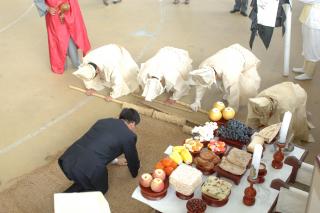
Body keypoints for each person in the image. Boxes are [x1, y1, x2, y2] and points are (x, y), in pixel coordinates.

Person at [58, 108, 141, 194]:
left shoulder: (103, 121)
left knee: (85, 181)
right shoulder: (129, 136)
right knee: (100, 190)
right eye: (135, 126)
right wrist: (135, 172)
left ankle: (67, 194)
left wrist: (115, 161)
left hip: (67, 159)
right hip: (88, 167)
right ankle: (64, 198)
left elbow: (98, 145)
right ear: (132, 123)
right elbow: (132, 158)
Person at [189, 43, 261, 112]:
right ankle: (227, 92)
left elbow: (234, 93)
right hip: (228, 54)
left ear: (215, 77)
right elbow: (202, 81)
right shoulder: (204, 66)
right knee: (226, 84)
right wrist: (197, 101)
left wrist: (232, 109)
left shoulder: (230, 74)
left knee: (247, 88)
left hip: (245, 58)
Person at [34, 0, 91, 74]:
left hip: (68, 10)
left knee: (70, 37)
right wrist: (47, 8)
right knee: (58, 39)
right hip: (54, 15)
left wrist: (67, 9)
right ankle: (60, 63)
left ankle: (75, 61)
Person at [246, 82, 313, 142]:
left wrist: (281, 140)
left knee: (297, 121)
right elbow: (251, 119)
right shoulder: (255, 102)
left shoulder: (284, 110)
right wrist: (249, 133)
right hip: (283, 90)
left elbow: (286, 129)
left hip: (297, 94)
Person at [72, 44, 139, 101]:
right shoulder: (86, 60)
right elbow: (86, 77)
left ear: (97, 71)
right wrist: (91, 87)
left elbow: (118, 80)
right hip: (107, 54)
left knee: (128, 74)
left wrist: (113, 96)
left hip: (119, 54)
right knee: (104, 77)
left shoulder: (110, 66)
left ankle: (134, 86)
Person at [293, 0, 320, 80]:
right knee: (307, 45)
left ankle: (309, 74)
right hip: (308, 18)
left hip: (315, 22)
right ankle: (305, 68)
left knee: (313, 48)